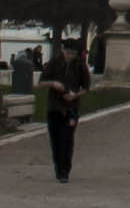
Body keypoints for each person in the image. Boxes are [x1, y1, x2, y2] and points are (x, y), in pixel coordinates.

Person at [37, 35, 92, 181]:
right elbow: (41, 82)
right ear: (63, 50)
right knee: (55, 140)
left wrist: (75, 95)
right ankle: (58, 168)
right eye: (68, 53)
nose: (70, 56)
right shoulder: (54, 63)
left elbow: (86, 87)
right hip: (54, 107)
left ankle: (65, 170)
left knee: (67, 139)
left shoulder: (80, 65)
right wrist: (54, 84)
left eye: (73, 53)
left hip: (71, 108)